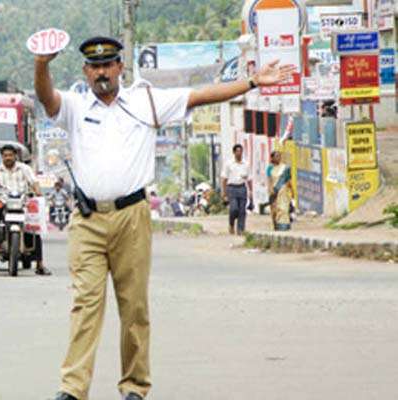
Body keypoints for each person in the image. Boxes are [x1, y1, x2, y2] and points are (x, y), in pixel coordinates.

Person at [34, 35, 294, 400]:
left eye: (108, 64)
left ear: (120, 67)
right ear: (85, 71)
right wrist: (42, 64)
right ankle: (73, 389)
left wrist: (251, 82)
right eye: (94, 66)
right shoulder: (76, 105)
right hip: (89, 220)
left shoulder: (146, 100)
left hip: (132, 217)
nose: (101, 72)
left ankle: (135, 387)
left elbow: (201, 95)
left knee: (134, 306)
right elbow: (47, 99)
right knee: (85, 305)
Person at [0, 144, 51, 275]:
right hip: (4, 202)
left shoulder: (24, 169)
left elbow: (34, 182)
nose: (8, 158)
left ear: (15, 156)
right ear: (2, 157)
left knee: (34, 227)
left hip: (23, 203)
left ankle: (40, 263)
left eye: (10, 155)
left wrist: (38, 193)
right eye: (5, 156)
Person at [221, 144, 252, 235]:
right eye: (237, 151)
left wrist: (250, 191)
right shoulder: (229, 164)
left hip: (242, 187)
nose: (239, 153)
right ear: (234, 152)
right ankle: (231, 224)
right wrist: (224, 193)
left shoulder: (246, 164)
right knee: (234, 209)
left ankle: (241, 229)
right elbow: (224, 178)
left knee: (242, 210)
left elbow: (249, 178)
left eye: (241, 151)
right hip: (232, 188)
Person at [267, 151, 294, 231]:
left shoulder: (285, 168)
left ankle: (283, 226)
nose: (278, 158)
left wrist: (292, 191)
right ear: (272, 158)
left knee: (283, 208)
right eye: (276, 156)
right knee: (274, 210)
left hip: (283, 191)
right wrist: (270, 189)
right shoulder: (270, 168)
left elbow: (288, 180)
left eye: (279, 156)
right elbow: (269, 180)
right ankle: (275, 225)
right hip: (274, 191)